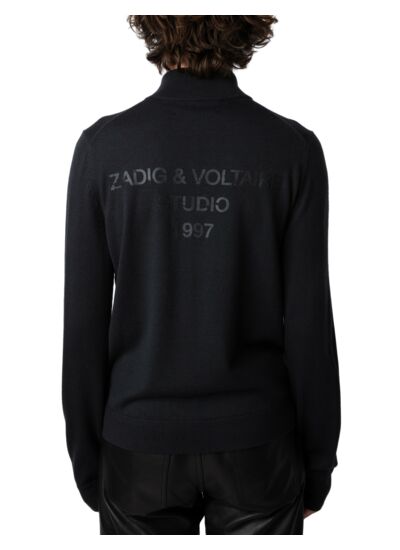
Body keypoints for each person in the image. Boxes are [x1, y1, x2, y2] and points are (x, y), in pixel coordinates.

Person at [62, 15, 341, 535]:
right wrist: (318, 463)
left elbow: (82, 321)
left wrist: (88, 463)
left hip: (136, 446)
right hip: (258, 444)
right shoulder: (291, 149)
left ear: (154, 24)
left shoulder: (104, 148)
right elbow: (309, 324)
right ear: (245, 26)